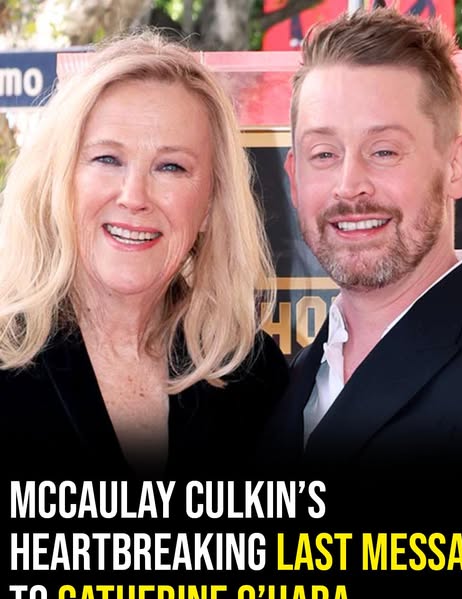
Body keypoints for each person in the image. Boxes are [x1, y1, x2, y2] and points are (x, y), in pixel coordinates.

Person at [0, 29, 289, 480]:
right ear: (59, 180)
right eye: (107, 159)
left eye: (171, 167)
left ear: (210, 204)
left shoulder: (251, 374)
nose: (134, 196)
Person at [261, 7, 462, 468]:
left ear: (456, 167)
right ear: (294, 180)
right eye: (324, 154)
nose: (349, 185)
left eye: (383, 151)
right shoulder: (283, 387)